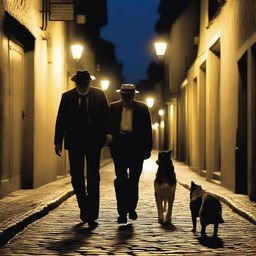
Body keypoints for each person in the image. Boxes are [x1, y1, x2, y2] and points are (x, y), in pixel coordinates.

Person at [54, 70, 109, 228]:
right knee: (76, 175)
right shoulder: (67, 97)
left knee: (93, 176)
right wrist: (58, 141)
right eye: (81, 83)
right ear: (76, 83)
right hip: (75, 141)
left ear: (89, 83)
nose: (84, 86)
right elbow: (61, 119)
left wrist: (107, 133)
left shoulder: (99, 95)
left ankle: (92, 213)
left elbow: (106, 116)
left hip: (93, 142)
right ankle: (84, 206)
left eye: (87, 83)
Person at [106, 84, 153, 223]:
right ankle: (122, 213)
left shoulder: (143, 108)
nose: (127, 98)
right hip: (119, 147)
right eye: (124, 95)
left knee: (133, 181)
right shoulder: (113, 107)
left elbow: (147, 131)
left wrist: (147, 150)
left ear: (133, 95)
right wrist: (108, 135)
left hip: (136, 148)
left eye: (129, 95)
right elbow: (108, 125)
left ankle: (131, 208)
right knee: (120, 180)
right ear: (121, 95)